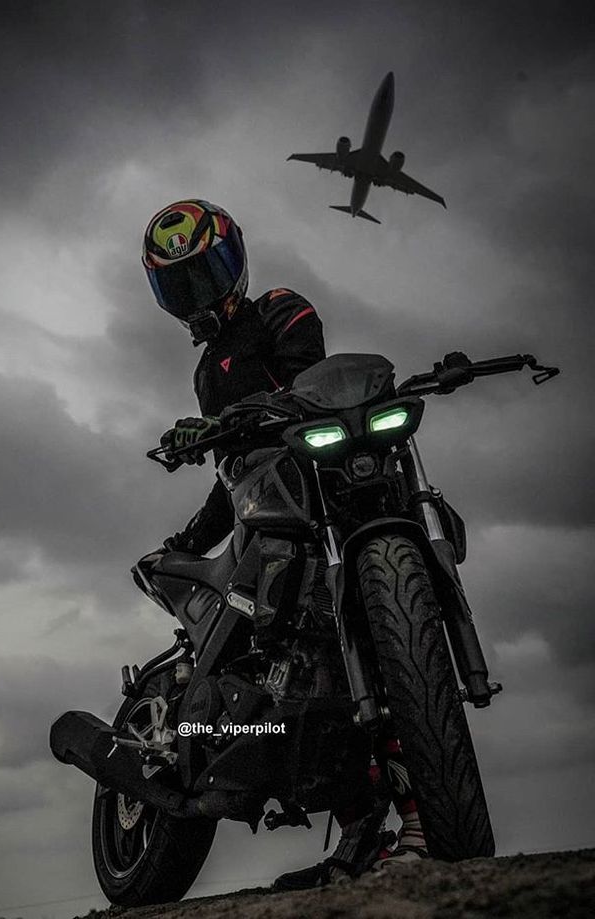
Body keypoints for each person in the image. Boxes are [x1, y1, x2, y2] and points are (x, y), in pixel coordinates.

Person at [142, 198, 428, 887]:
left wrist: (237, 422)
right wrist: (187, 537)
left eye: (204, 273)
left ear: (233, 261)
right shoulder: (207, 372)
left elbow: (310, 385)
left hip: (320, 489)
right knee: (277, 665)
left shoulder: (282, 310)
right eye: (180, 284)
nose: (198, 294)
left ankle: (414, 806)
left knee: (372, 641)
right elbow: (229, 468)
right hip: (259, 514)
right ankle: (346, 807)